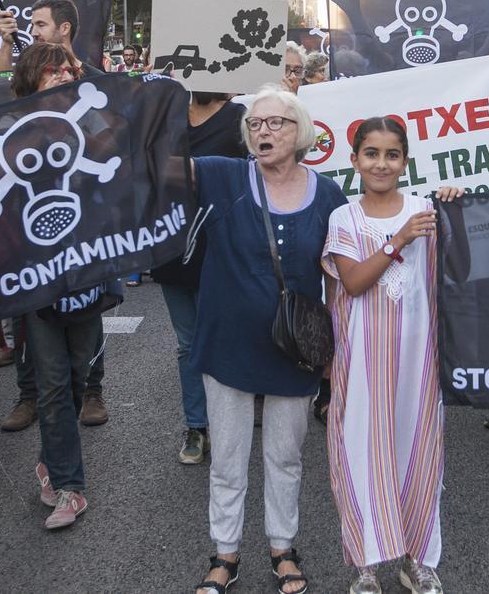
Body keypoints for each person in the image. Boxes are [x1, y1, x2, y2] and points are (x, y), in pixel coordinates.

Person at [191, 86, 347, 594]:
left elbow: (342, 275)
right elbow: (158, 164)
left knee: (285, 457)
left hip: (295, 351)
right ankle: (225, 554)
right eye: (255, 124)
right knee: (229, 458)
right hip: (229, 346)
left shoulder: (327, 194)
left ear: (299, 131)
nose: (264, 131)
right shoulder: (223, 175)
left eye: (276, 123)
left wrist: (333, 352)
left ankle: (283, 548)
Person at [323, 117, 461, 594]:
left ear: (405, 161)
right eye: (372, 154)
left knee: (417, 457)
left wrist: (455, 205)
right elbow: (356, 283)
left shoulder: (426, 210)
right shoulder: (343, 217)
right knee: (362, 456)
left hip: (418, 365)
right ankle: (365, 568)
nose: (381, 163)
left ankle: (415, 560)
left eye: (392, 154)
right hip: (361, 366)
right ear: (355, 160)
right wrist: (399, 240)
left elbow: (465, 262)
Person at [10, 42, 121, 529]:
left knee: (79, 376)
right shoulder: (6, 124)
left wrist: (82, 80)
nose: (59, 76)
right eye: (50, 70)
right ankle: (70, 486)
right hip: (36, 275)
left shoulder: (88, 117)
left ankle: (52, 459)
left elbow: (116, 143)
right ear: (31, 76)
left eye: (66, 69)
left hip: (87, 267)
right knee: (53, 386)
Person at [148, 91, 246, 465]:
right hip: (172, 244)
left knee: (223, 337)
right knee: (188, 342)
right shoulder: (163, 113)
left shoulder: (240, 116)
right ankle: (196, 425)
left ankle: (227, 422)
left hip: (221, 247)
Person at [0, 0, 102, 76]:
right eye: (33, 25)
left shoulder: (97, 80)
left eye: (41, 25)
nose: (33, 33)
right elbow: (0, 84)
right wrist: (6, 42)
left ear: (65, 28)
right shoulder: (28, 74)